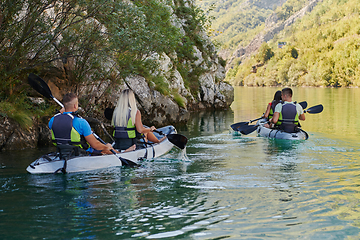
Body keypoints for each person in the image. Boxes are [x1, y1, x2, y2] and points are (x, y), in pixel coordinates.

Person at [49, 93, 115, 155]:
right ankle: (120, 154)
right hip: (81, 153)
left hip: (62, 152)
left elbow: (63, 125)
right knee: (107, 149)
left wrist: (62, 113)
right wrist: (106, 147)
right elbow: (95, 145)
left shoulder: (53, 120)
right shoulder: (81, 122)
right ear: (75, 105)